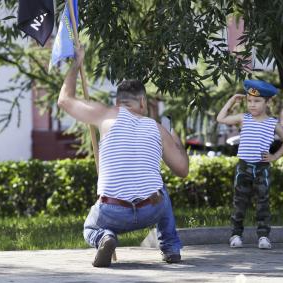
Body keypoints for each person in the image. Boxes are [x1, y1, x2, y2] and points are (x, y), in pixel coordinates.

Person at [58, 46, 189, 267]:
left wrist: (76, 63)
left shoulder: (105, 115)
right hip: (151, 209)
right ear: (142, 103)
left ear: (117, 103)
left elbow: (64, 100)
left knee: (90, 226)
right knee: (160, 189)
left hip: (113, 211)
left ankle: (105, 237)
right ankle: (171, 248)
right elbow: (183, 171)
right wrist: (177, 143)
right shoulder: (157, 127)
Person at [216, 79, 283, 250]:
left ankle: (263, 236)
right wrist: (232, 101)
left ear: (267, 102)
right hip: (243, 167)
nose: (252, 105)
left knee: (263, 202)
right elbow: (220, 118)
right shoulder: (244, 118)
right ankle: (236, 234)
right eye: (249, 101)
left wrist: (274, 156)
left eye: (257, 101)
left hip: (261, 168)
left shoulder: (272, 123)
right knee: (239, 202)